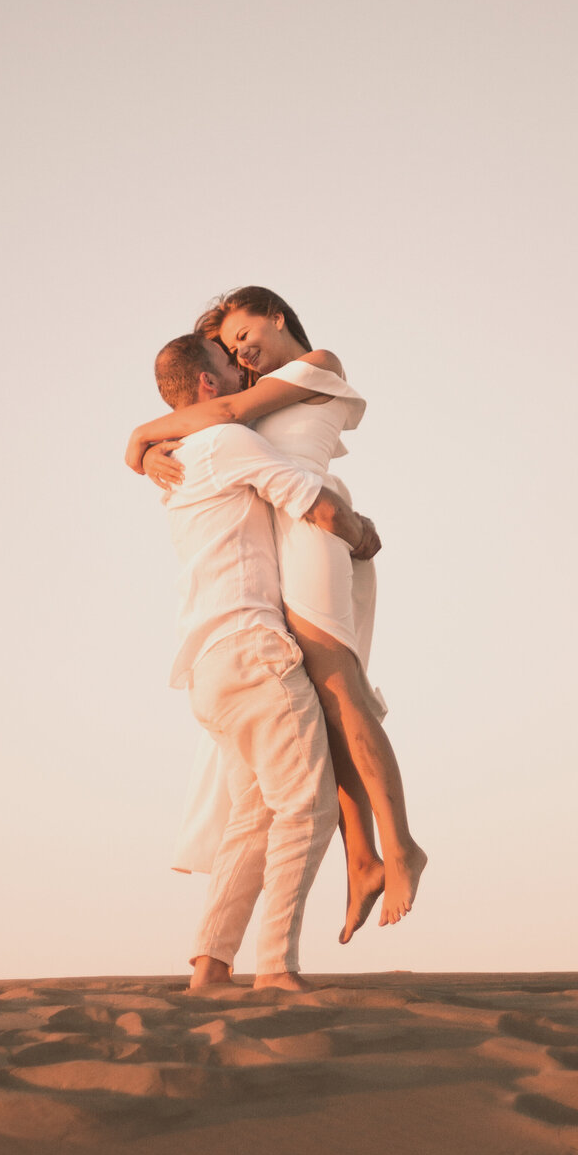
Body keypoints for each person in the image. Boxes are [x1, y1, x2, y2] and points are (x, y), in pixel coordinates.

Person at [128, 287, 426, 936]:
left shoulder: (317, 365)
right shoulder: (253, 401)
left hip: (312, 523)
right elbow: (215, 418)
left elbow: (223, 409)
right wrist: (152, 455)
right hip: (278, 534)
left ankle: (401, 846)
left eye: (244, 334)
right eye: (231, 347)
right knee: (320, 709)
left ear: (277, 315)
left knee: (340, 689)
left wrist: (139, 437)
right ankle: (362, 858)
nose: (241, 350)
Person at [148, 330, 381, 991]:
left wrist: (142, 443)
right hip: (252, 653)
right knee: (309, 808)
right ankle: (276, 966)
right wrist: (363, 535)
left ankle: (210, 965)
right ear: (207, 384)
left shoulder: (176, 461)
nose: (241, 371)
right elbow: (314, 501)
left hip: (208, 669)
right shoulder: (225, 441)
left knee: (252, 818)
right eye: (229, 362)